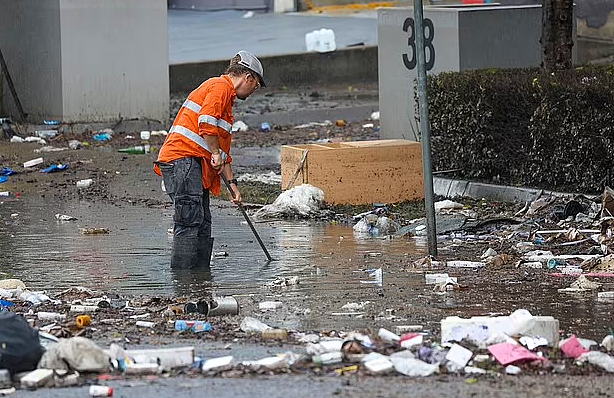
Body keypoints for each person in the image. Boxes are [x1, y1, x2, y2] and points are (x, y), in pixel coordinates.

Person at [154, 50, 265, 269]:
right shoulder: (220, 86)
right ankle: (184, 286)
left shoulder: (227, 103)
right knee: (189, 221)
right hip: (182, 159)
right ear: (248, 77)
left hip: (192, 164)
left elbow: (222, 153)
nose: (254, 90)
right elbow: (206, 121)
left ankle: (200, 281)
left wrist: (233, 186)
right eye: (257, 85)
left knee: (202, 223)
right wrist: (214, 153)